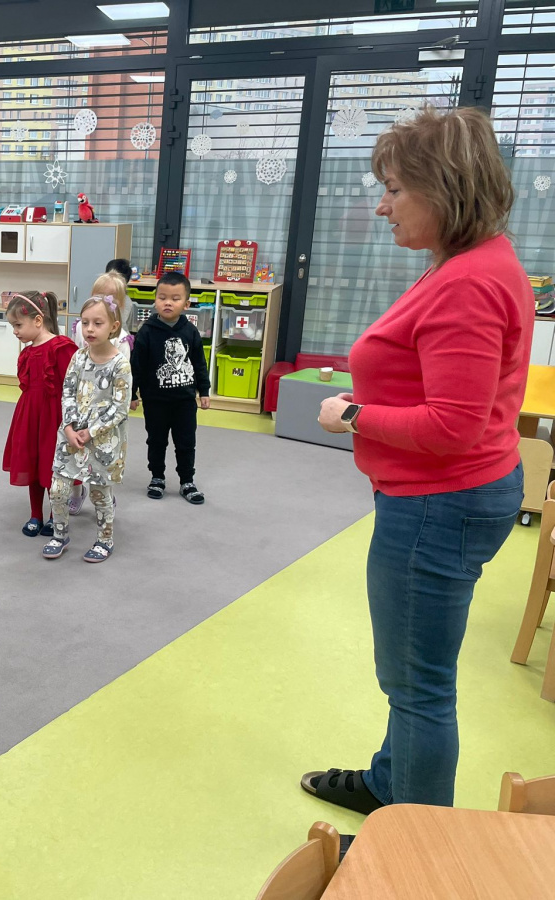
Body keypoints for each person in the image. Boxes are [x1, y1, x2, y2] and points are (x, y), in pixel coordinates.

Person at [302, 106, 530, 813]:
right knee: (411, 673)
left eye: (395, 189)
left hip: (439, 503)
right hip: (449, 494)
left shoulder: (468, 281)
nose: (382, 206)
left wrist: (354, 416)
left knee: (418, 686)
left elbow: (453, 425)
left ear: (445, 189)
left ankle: (415, 845)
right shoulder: (468, 261)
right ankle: (389, 783)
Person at [43, 293, 132, 564]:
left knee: (99, 493)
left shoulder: (120, 364)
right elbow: (67, 392)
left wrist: (91, 431)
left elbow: (120, 407)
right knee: (58, 489)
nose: (90, 329)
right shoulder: (78, 357)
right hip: (71, 436)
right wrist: (70, 427)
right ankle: (60, 535)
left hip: (102, 441)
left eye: (97, 323)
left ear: (113, 327)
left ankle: (105, 540)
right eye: (85, 323)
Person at [129, 271, 210, 505]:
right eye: (162, 297)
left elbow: (199, 363)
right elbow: (136, 365)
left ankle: (187, 481)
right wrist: (132, 393)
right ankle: (157, 477)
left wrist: (204, 391)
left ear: (186, 304)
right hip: (155, 401)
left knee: (186, 442)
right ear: (155, 300)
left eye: (175, 299)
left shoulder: (190, 331)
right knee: (156, 441)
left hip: (184, 401)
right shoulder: (146, 331)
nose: (167, 303)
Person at [1, 291, 78, 537]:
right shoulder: (26, 353)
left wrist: (73, 421)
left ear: (37, 320)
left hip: (54, 418)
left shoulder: (61, 347)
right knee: (32, 463)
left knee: (53, 465)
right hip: (29, 416)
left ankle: (57, 515)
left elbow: (73, 387)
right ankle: (36, 514)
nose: (15, 331)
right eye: (12, 326)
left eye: (18, 325)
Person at [69, 272, 130, 515]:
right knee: (75, 452)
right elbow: (76, 359)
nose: (103, 300)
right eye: (98, 295)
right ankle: (77, 492)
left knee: (103, 457)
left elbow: (123, 377)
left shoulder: (122, 339)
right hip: (82, 403)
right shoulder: (81, 328)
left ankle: (105, 493)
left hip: (106, 410)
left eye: (109, 297)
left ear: (119, 304)